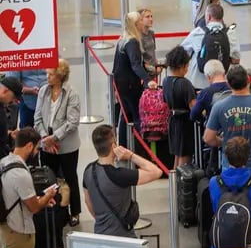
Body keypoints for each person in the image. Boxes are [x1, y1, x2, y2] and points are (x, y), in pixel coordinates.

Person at [82, 125, 163, 238]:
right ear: (113, 145)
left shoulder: (88, 170)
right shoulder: (120, 175)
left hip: (100, 234)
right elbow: (156, 172)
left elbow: (87, 201)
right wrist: (131, 155)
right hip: (123, 237)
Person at [33, 60, 83, 227]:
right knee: (49, 179)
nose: (47, 77)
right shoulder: (43, 92)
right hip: (46, 145)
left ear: (60, 76)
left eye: (51, 74)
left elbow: (72, 122)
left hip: (67, 146)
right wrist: (44, 138)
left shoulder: (71, 94)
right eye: (47, 73)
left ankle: (75, 212)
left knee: (70, 177)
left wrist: (54, 138)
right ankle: (55, 212)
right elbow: (37, 117)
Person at [204, 65, 251, 178]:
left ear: (228, 83)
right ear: (248, 81)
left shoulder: (219, 107)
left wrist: (225, 143)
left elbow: (208, 138)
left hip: (230, 167)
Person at [113, 12, 157, 146]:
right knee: (137, 115)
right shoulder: (132, 42)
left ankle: (124, 144)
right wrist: (148, 80)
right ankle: (139, 146)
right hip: (130, 85)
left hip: (120, 83)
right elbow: (135, 65)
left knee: (125, 114)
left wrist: (150, 69)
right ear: (136, 24)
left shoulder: (122, 40)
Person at [181, 3, 240, 89]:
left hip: (199, 83)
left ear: (208, 16)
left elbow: (182, 52)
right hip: (223, 85)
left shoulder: (198, 32)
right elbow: (236, 59)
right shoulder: (230, 33)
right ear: (221, 17)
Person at [163, 46, 197, 168]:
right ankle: (183, 183)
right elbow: (194, 107)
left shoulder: (166, 81)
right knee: (185, 156)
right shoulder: (185, 83)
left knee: (177, 155)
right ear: (182, 65)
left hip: (172, 121)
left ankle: (175, 183)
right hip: (185, 124)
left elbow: (165, 100)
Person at [190, 59, 230, 123]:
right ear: (224, 73)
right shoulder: (233, 88)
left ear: (208, 77)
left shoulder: (205, 93)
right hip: (233, 128)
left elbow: (193, 115)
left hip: (214, 130)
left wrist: (204, 115)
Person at [0, 76, 22, 159]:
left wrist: (8, 134)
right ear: (5, 91)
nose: (13, 101)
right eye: (13, 97)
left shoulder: (2, 105)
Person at [138, 8, 162, 81]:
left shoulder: (151, 33)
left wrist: (158, 66)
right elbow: (139, 61)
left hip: (154, 72)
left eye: (151, 16)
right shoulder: (138, 36)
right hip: (145, 74)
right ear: (140, 20)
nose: (151, 19)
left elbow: (153, 53)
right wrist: (153, 69)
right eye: (147, 17)